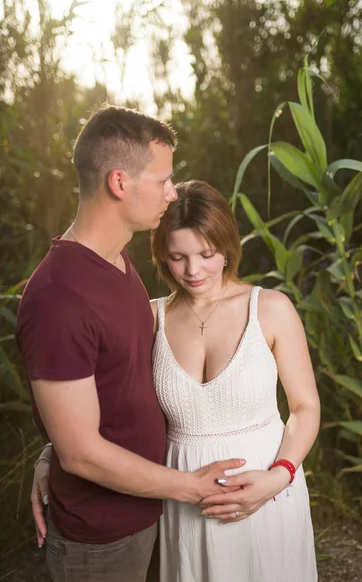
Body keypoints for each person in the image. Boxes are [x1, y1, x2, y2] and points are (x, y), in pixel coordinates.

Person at [32, 179, 320, 581]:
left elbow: (305, 407)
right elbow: (98, 399)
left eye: (206, 254)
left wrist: (279, 475)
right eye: (177, 257)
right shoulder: (150, 318)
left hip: (268, 487)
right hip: (182, 497)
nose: (193, 270)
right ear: (161, 256)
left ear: (228, 247)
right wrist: (51, 453)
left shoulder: (271, 309)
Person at [17, 108, 245, 582]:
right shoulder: (60, 296)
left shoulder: (116, 260)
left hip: (147, 512)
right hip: (100, 540)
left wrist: (48, 450)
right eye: (163, 180)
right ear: (120, 182)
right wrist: (189, 488)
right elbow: (80, 453)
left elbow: (114, 380)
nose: (173, 192)